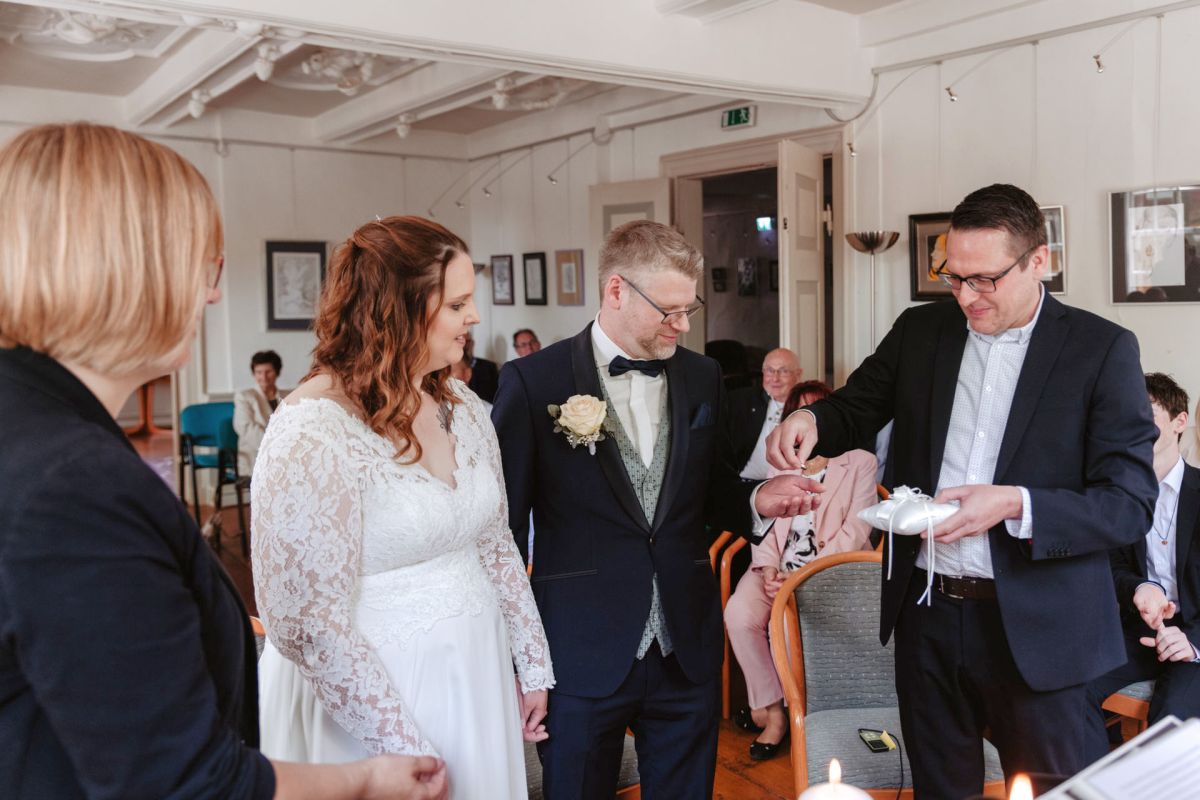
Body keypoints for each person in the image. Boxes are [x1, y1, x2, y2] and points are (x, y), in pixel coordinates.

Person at [0, 123, 447, 800]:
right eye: (207, 266)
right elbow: (183, 783)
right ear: (127, 267)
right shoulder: (75, 485)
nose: (212, 296)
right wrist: (364, 782)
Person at [766, 184, 1158, 798]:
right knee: (941, 788)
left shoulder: (1101, 349)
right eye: (954, 277)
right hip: (927, 610)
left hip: (1040, 623)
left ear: (1039, 261)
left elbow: (1129, 504)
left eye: (985, 280)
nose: (966, 297)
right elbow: (857, 405)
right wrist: (810, 422)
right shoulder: (923, 331)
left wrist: (1013, 503)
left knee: (1062, 791)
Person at [491, 219, 821, 799]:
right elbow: (504, 538)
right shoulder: (531, 382)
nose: (684, 325)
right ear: (615, 291)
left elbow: (710, 487)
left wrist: (755, 499)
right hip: (578, 653)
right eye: (668, 311)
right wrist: (520, 664)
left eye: (689, 308)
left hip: (685, 650)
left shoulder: (702, 375)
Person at [252, 216, 553, 799]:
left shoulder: (462, 403)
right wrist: (399, 741)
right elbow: (307, 622)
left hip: (477, 672)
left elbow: (494, 541)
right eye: (458, 303)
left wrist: (531, 662)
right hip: (379, 697)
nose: (475, 317)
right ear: (399, 309)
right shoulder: (312, 429)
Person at [725, 380, 877, 761]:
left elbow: (857, 529)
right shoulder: (780, 463)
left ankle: (803, 718)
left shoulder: (859, 461)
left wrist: (801, 577)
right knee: (739, 614)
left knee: (786, 623)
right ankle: (773, 711)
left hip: (831, 572)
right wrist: (770, 568)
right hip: (779, 569)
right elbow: (768, 525)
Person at [1085, 373, 1200, 761]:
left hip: (1195, 640)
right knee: (1068, 692)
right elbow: (1111, 565)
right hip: (1136, 633)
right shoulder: (1116, 495)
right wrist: (1139, 586)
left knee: (1169, 724)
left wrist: (1193, 643)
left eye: (1146, 414)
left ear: (1179, 422)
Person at [725, 347, 803, 536]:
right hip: (744, 487)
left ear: (798, 375)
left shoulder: (806, 406)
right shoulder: (740, 401)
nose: (774, 378)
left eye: (783, 371)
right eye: (769, 370)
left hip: (788, 491)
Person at [234, 349, 289, 476]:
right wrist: (277, 448)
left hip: (286, 456)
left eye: (268, 372)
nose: (263, 377)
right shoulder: (244, 396)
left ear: (277, 372)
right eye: (259, 372)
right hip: (256, 456)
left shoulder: (288, 396)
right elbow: (246, 429)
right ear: (254, 373)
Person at [464, 330, 499, 403]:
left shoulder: (489, 367)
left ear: (472, 343)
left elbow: (498, 397)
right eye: (461, 342)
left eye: (467, 341)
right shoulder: (447, 369)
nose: (464, 345)